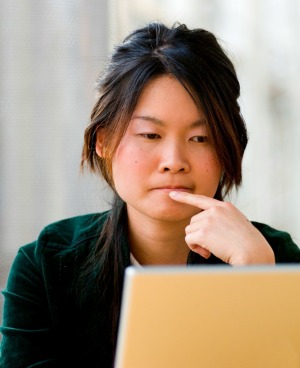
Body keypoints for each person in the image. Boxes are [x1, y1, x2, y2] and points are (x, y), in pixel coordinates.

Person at [1, 21, 299, 368]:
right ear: (104, 141)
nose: (174, 162)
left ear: (230, 148)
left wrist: (259, 280)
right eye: (150, 135)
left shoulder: (273, 257)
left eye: (200, 139)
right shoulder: (47, 266)